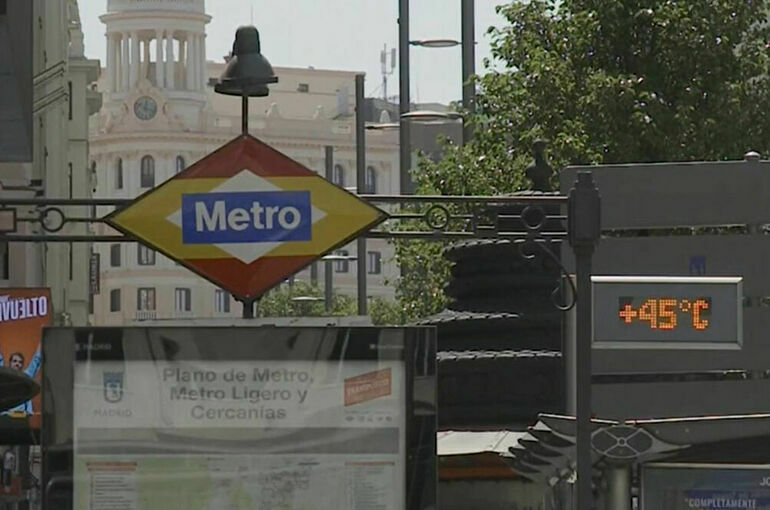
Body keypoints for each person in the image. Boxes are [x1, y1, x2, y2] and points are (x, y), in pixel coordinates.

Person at [0, 344, 41, 415]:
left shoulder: (26, 376)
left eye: (20, 362)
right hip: (5, 416)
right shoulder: (4, 377)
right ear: (10, 363)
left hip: (22, 417)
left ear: (22, 365)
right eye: (15, 361)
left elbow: (36, 359)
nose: (17, 364)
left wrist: (43, 340)